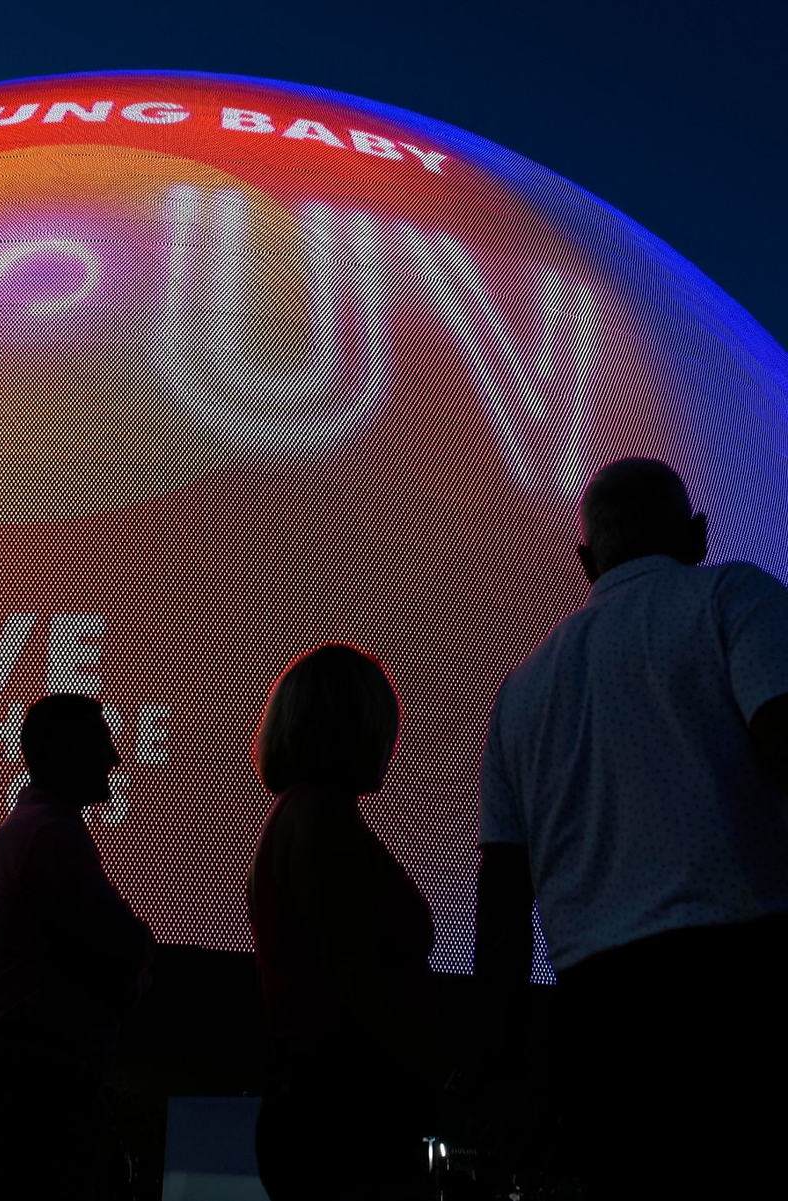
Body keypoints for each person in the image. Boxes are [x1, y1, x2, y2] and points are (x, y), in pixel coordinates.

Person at [475, 457, 788, 1198]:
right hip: (744, 992)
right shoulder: (734, 598)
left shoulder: (519, 691)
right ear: (699, 534)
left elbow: (502, 898)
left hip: (595, 1024)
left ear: (586, 560)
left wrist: (502, 1064)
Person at [247, 643, 435, 1200]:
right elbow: (354, 974)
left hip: (322, 1101)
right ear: (352, 725)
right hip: (344, 1110)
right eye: (384, 720)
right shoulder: (320, 819)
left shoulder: (301, 814)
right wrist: (443, 1074)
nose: (391, 741)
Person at [0, 693, 154, 1200]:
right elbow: (126, 945)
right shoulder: (49, 836)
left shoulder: (33, 832)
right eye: (102, 741)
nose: (114, 756)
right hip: (34, 1088)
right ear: (68, 750)